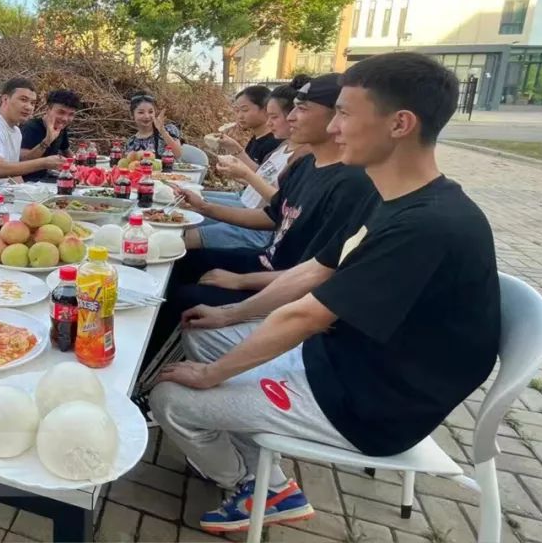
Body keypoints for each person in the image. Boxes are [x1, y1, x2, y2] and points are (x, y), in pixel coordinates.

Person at [150, 52, 500, 535]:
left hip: (368, 404)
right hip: (336, 360)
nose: (334, 128)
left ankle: (261, 489)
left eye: (345, 114)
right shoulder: (398, 200)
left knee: (170, 397)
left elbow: (306, 316)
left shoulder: (429, 225)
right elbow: (315, 270)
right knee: (201, 330)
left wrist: (213, 375)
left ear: (400, 124)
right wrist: (229, 315)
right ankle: (257, 467)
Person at [138, 74, 378, 369]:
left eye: (302, 109)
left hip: (283, 285)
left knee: (184, 296)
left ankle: (145, 373)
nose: (291, 117)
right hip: (266, 261)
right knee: (180, 260)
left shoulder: (351, 184)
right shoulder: (306, 164)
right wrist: (204, 207)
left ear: (336, 116)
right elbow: (270, 217)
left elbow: (314, 274)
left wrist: (240, 281)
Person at [195, 76, 310, 251]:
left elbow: (278, 202)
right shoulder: (284, 145)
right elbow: (263, 175)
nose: (269, 122)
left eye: (273, 116)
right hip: (245, 202)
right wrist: (237, 156)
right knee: (186, 205)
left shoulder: (301, 155)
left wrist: (245, 174)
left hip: (256, 226)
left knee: (186, 228)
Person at [19, 89, 81, 182]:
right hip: (29, 182)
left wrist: (81, 167)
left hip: (48, 177)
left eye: (71, 114)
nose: (65, 119)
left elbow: (67, 152)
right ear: (47, 109)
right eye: (61, 112)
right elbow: (23, 160)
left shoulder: (61, 128)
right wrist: (48, 140)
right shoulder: (30, 128)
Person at [217, 85, 282, 166]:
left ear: (266, 110)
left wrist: (236, 148)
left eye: (245, 110)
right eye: (237, 111)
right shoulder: (256, 139)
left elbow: (260, 174)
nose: (239, 116)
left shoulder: (274, 144)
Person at [126, 92, 182, 157]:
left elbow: (178, 154)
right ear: (132, 115)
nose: (147, 116)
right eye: (141, 112)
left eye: (150, 112)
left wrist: (162, 131)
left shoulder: (168, 130)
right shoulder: (131, 142)